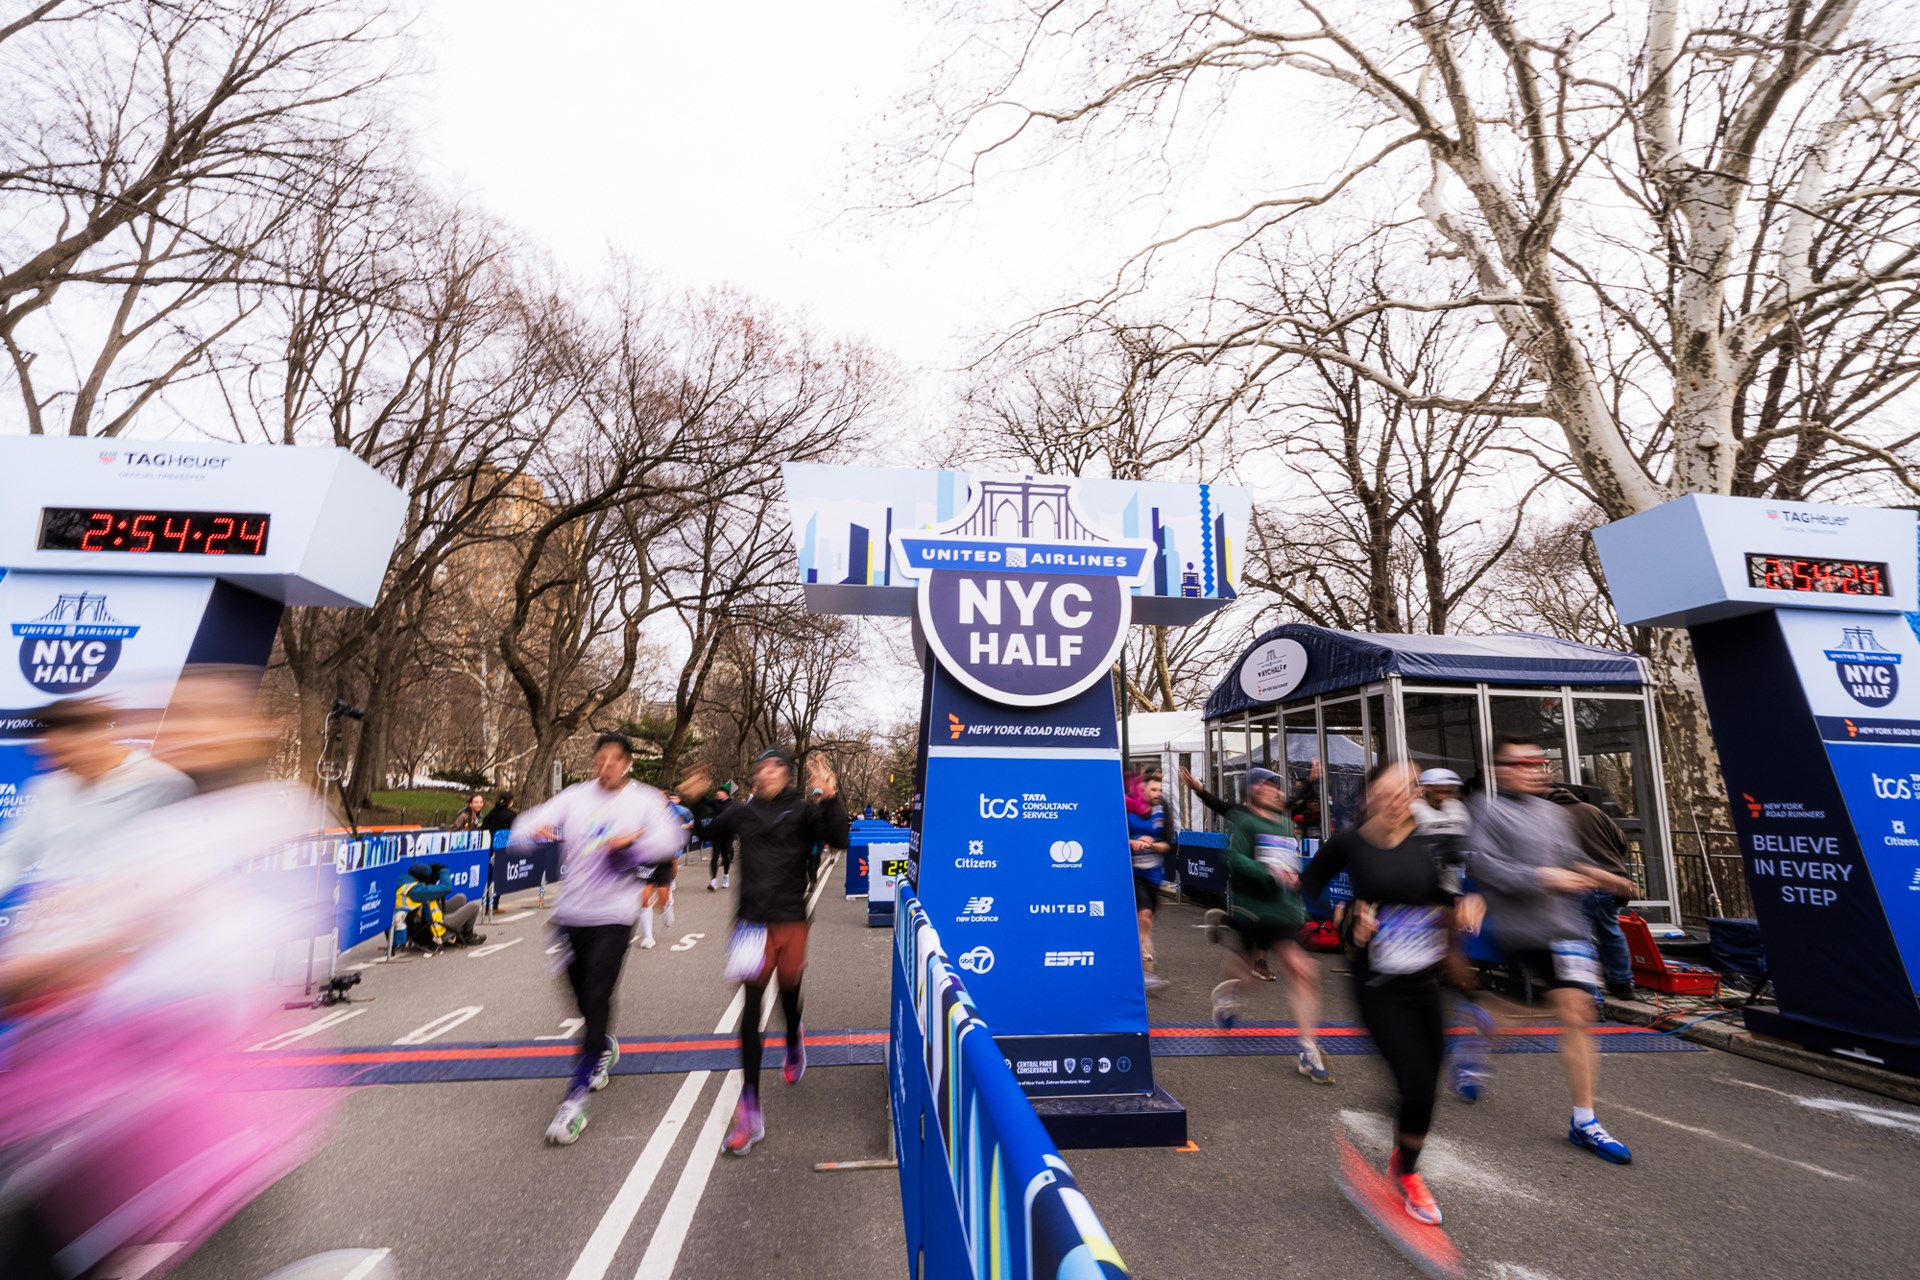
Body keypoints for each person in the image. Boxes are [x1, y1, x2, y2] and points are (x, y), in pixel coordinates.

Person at [1465, 737, 1640, 1164]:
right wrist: (1542, 877)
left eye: (1539, 762)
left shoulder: (1552, 812)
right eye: (1523, 763)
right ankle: (1491, 1021)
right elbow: (1484, 866)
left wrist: (1605, 876)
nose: (1535, 769)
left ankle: (1584, 1120)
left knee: (1578, 1013)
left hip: (1566, 927)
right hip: (1523, 927)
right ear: (1501, 770)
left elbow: (1569, 859)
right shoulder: (1486, 810)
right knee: (1570, 1009)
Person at [1304, 762, 1460, 1225]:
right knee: (1412, 1080)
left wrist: (1466, 903)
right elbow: (1310, 885)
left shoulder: (1424, 842)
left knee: (1428, 1085)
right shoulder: (1351, 841)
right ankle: (1410, 1177)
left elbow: (1440, 894)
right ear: (1370, 795)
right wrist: (1343, 910)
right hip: (1377, 983)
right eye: (1388, 790)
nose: (1398, 798)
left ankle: (1402, 1163)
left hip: (1424, 980)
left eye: (1406, 789)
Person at [509, 733, 681, 1146]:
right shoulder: (574, 797)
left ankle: (575, 1102)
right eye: (600, 758)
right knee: (581, 1000)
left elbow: (671, 838)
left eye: (614, 759)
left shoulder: (641, 802)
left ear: (627, 765)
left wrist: (632, 841)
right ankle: (602, 1042)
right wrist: (536, 832)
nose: (606, 765)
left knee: (598, 994)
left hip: (613, 916)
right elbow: (520, 829)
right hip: (570, 915)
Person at [681, 746, 848, 1156]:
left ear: (788, 775)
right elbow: (708, 833)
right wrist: (698, 798)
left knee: (789, 995)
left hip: (789, 920)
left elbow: (839, 839)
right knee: (750, 1011)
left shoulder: (803, 811)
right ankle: (750, 1110)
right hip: (750, 924)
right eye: (762, 766)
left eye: (776, 766)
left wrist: (830, 796)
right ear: (756, 775)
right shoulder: (743, 810)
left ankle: (794, 1038)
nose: (768, 771)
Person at [1193, 765, 1333, 1084]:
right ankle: (1226, 994)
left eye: (1279, 786)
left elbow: (1288, 864)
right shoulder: (1245, 820)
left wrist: (1294, 883)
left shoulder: (1285, 822)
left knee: (1303, 970)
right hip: (1253, 909)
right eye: (1271, 786)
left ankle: (1308, 1050)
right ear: (1255, 790)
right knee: (1249, 974)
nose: (1278, 791)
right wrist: (1266, 872)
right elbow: (1234, 858)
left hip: (1282, 910)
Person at [0, 696, 195, 900]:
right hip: (59, 919)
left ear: (100, 737)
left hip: (130, 919)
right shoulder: (49, 786)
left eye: (66, 752)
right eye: (52, 754)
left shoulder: (164, 785)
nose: (56, 762)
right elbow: (18, 852)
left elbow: (178, 865)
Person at [1545, 784, 1638, 999]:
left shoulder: (1551, 816)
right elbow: (1621, 842)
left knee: (1579, 938)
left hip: (1579, 883)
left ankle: (1591, 995)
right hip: (1611, 881)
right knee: (1611, 932)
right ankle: (1622, 983)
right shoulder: (1594, 810)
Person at [1126, 770, 1172, 995]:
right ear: (1141, 790)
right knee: (1144, 919)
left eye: (1160, 790)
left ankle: (1139, 971)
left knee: (1144, 924)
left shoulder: (1162, 809)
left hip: (1154, 876)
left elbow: (1168, 846)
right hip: (1132, 875)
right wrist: (1133, 842)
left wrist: (1151, 844)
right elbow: (1113, 837)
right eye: (1153, 789)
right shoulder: (1128, 809)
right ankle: (1146, 975)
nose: (1158, 793)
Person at [395, 861, 484, 948]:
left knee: (461, 898)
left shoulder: (404, 882)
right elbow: (446, 887)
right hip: (434, 930)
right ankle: (468, 936)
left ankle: (461, 930)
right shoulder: (417, 891)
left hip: (420, 923)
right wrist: (444, 871)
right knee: (473, 907)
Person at [698, 783, 735, 890]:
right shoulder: (714, 802)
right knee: (714, 856)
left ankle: (726, 876)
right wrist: (700, 789)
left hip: (728, 834)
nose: (718, 793)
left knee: (725, 856)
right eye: (717, 791)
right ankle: (713, 880)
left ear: (726, 794)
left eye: (721, 792)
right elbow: (704, 800)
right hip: (716, 833)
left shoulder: (733, 804)